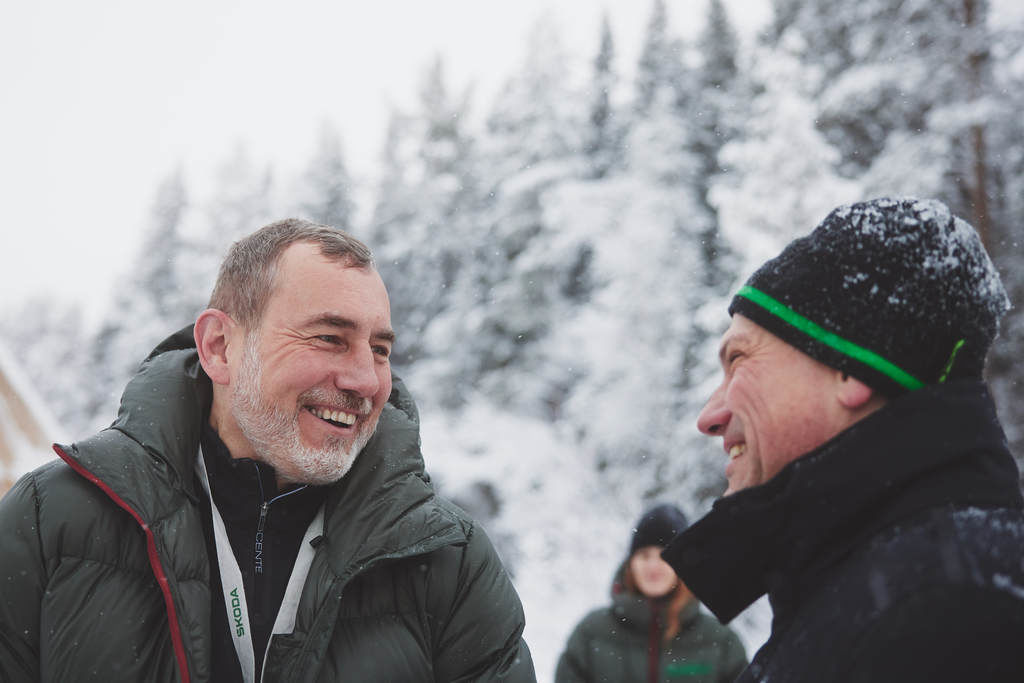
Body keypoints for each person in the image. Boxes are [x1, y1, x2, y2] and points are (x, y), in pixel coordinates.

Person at [0, 219, 536, 682]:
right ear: (220, 347)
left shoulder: (447, 559)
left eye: (379, 349)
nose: (366, 380)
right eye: (329, 338)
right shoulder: (52, 521)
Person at [661, 197, 1024, 682]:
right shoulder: (876, 588)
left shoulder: (946, 609)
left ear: (851, 369)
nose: (709, 417)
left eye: (739, 360)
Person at [556, 504, 747, 683]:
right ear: (631, 563)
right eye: (644, 555)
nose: (653, 566)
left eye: (664, 556)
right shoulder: (591, 633)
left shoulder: (721, 641)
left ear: (683, 565)